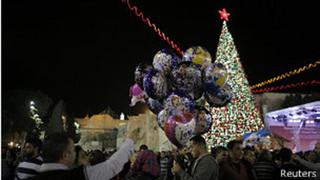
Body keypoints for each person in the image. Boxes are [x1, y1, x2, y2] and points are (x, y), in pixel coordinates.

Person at [33, 127, 139, 180]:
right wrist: (130, 141)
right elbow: (111, 167)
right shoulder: (77, 176)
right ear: (65, 155)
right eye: (73, 150)